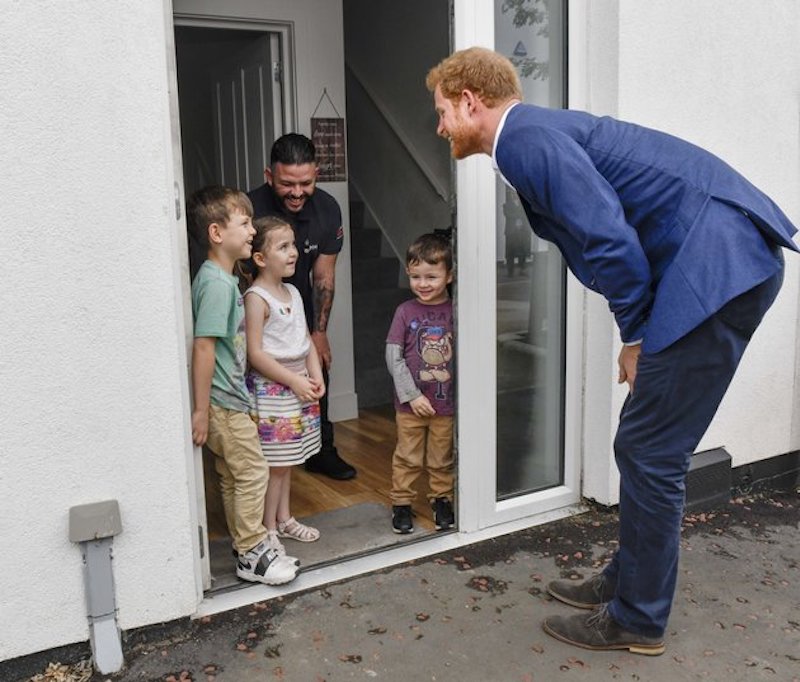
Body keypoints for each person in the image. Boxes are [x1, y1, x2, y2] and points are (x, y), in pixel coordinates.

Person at [426, 47, 797, 655]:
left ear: (471, 100)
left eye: (443, 112)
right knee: (646, 443)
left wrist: (636, 335)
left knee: (650, 449)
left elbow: (609, 240)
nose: (440, 127)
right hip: (721, 263)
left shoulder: (523, 140)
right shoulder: (535, 135)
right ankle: (627, 582)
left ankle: (638, 619)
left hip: (715, 269)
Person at [187, 185, 298, 586]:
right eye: (245, 222)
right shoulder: (217, 285)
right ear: (217, 233)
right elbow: (204, 347)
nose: (252, 229)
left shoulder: (221, 277)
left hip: (227, 400)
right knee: (253, 472)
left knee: (235, 476)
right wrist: (201, 410)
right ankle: (253, 552)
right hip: (221, 403)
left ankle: (244, 545)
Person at [248, 133, 357, 481]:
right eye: (286, 184)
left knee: (315, 377)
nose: (297, 192)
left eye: (305, 183)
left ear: (317, 175)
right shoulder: (248, 209)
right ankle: (261, 461)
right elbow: (236, 271)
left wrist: (319, 332)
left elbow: (324, 275)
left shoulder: (327, 209)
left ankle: (320, 450)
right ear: (269, 176)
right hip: (259, 313)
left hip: (300, 309)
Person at [240, 216, 324, 561]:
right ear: (260, 258)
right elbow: (255, 353)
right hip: (275, 390)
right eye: (284, 247)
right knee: (274, 466)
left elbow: (304, 340)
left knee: (289, 462)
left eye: (293, 245)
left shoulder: (292, 292)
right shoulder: (256, 298)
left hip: (299, 387)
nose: (294, 253)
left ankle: (285, 519)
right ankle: (268, 529)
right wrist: (293, 380)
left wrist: (315, 375)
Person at [386, 233, 456, 535]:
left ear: (449, 275)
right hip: (409, 404)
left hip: (446, 403)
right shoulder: (405, 312)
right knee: (408, 455)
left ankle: (442, 499)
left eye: (431, 276)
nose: (423, 284)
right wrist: (412, 395)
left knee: (442, 456)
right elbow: (394, 355)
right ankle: (401, 503)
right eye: (416, 277)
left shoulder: (457, 311)